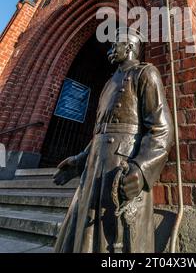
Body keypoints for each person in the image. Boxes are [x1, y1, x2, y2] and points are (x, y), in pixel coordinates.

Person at [53, 27, 174, 253]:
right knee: (81, 236)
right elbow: (101, 131)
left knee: (112, 240)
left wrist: (141, 167)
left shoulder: (145, 73)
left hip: (121, 167)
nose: (110, 49)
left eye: (114, 44)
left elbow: (162, 129)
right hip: (94, 168)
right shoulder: (109, 83)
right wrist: (80, 160)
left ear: (128, 47)